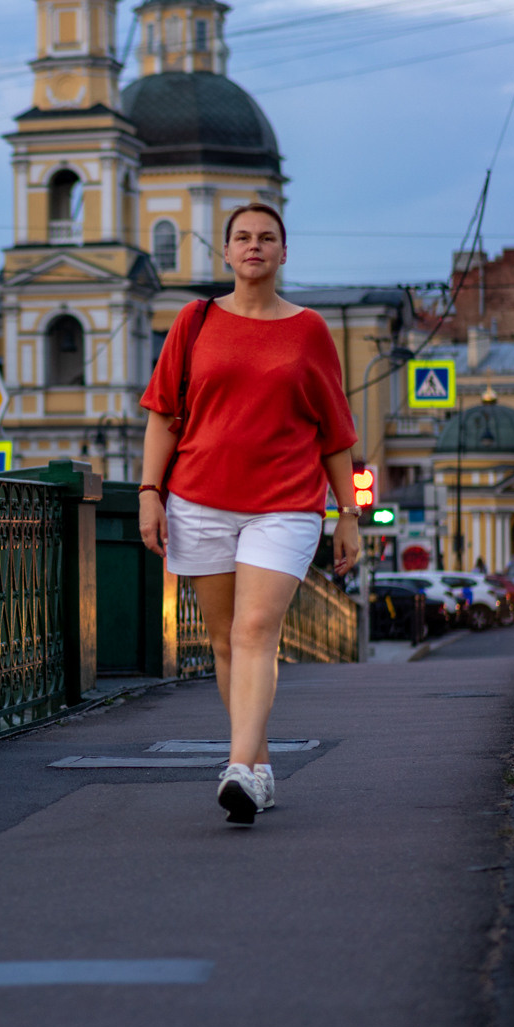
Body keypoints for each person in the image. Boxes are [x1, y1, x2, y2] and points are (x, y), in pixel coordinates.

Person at [136, 202, 359, 826]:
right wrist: (149, 491)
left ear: (284, 253)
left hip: (284, 505)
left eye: (267, 237)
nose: (254, 245)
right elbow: (162, 414)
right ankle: (256, 768)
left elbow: (335, 431)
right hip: (199, 499)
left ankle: (236, 768)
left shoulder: (309, 330)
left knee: (256, 630)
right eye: (242, 237)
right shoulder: (195, 319)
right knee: (225, 641)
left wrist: (348, 514)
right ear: (227, 253)